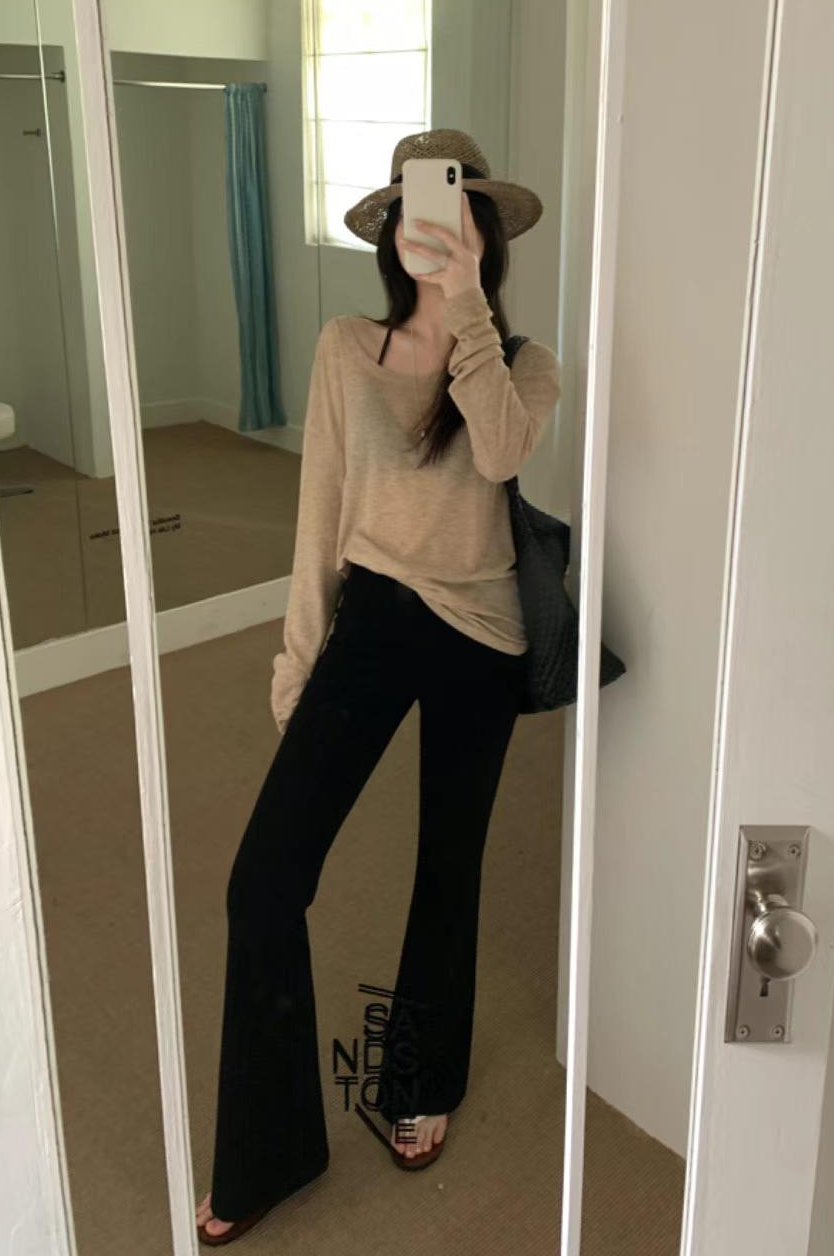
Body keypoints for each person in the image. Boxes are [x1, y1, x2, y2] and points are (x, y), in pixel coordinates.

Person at [196, 129, 561, 1245]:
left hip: (482, 632)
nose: (433, 228)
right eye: (416, 210)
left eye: (458, 212)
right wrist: (297, 659)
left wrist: (467, 311)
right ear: (392, 228)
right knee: (264, 880)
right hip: (372, 619)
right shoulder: (345, 347)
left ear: (485, 234)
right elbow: (319, 512)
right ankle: (270, 1151)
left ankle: (418, 1080)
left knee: (446, 870)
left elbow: (499, 456)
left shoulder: (522, 363)